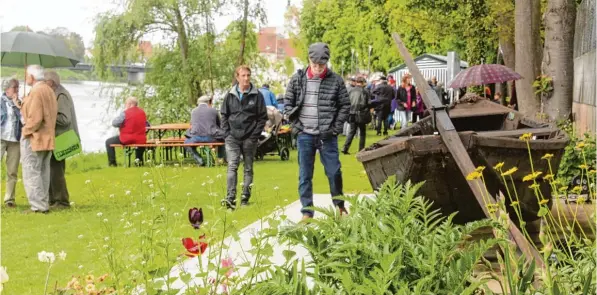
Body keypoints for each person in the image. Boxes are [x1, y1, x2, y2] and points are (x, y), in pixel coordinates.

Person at [284, 42, 351, 220]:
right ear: (309, 60)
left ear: (327, 63)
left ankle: (340, 207)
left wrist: (336, 128)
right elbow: (288, 103)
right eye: (315, 65)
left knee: (334, 172)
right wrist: (295, 125)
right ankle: (307, 211)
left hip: (327, 135)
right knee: (305, 175)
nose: (318, 69)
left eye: (322, 65)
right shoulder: (297, 79)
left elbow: (345, 105)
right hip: (304, 135)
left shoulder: (336, 80)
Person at [220, 65, 268, 210]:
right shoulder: (229, 95)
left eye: (248, 75)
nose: (246, 78)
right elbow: (224, 115)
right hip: (232, 137)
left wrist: (253, 136)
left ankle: (245, 198)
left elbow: (262, 117)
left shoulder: (257, 95)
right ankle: (230, 199)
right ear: (237, 77)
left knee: (248, 168)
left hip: (249, 138)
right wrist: (227, 133)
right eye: (243, 75)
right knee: (232, 166)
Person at [20, 65, 58, 214]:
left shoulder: (36, 91)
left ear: (32, 77)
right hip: (47, 136)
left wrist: (25, 131)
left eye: (26, 75)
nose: (25, 78)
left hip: (35, 137)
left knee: (31, 171)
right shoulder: (48, 89)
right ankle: (43, 204)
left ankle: (38, 206)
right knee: (42, 171)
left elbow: (36, 118)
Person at [45, 71, 79, 209]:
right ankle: (54, 199)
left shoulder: (61, 95)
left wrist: (47, 115)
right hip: (58, 138)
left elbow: (64, 119)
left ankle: (62, 201)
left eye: (45, 82)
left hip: (61, 139)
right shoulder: (57, 94)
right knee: (52, 168)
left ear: (51, 83)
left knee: (56, 170)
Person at [105, 97, 147, 167]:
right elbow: (147, 124)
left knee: (108, 142)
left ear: (130, 104)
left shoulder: (125, 113)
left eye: (126, 104)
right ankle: (139, 162)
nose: (125, 105)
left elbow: (115, 123)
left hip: (127, 139)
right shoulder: (142, 113)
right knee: (140, 143)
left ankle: (112, 163)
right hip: (140, 139)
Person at [185, 95, 226, 166]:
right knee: (223, 138)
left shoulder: (193, 111)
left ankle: (199, 160)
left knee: (186, 143)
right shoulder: (213, 110)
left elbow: (192, 124)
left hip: (196, 137)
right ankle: (220, 158)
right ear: (208, 102)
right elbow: (219, 124)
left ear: (198, 103)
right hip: (211, 137)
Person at [1, 78, 23, 208]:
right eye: (15, 87)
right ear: (7, 89)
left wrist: (18, 105)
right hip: (1, 137)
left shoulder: (21, 103)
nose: (17, 90)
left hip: (15, 140)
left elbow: (25, 119)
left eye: (18, 87)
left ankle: (9, 198)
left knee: (12, 170)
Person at [342, 76, 371, 154]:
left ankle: (345, 148)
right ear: (362, 83)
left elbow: (346, 102)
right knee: (362, 133)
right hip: (361, 114)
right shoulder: (365, 91)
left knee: (352, 132)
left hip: (351, 114)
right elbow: (368, 103)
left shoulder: (350, 90)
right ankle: (361, 150)